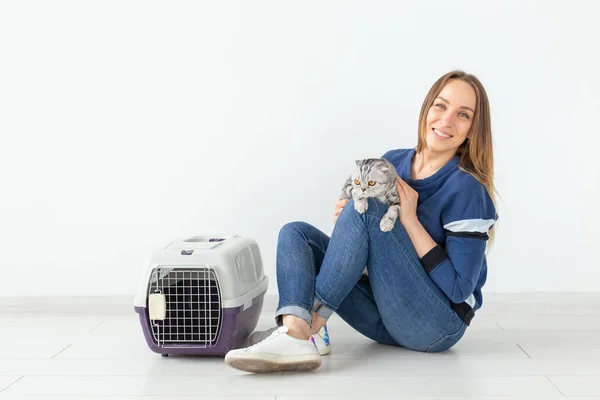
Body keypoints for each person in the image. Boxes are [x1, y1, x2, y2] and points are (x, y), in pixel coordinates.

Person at [224, 70, 499, 373]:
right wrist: (349, 224)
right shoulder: (391, 161)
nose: (446, 120)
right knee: (295, 234)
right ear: (427, 109)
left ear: (474, 129)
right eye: (441, 106)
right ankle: (298, 329)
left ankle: (302, 331)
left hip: (436, 326)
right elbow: (376, 254)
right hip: (383, 317)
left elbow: (460, 290)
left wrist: (408, 219)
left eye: (463, 114)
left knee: (366, 209)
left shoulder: (467, 189)